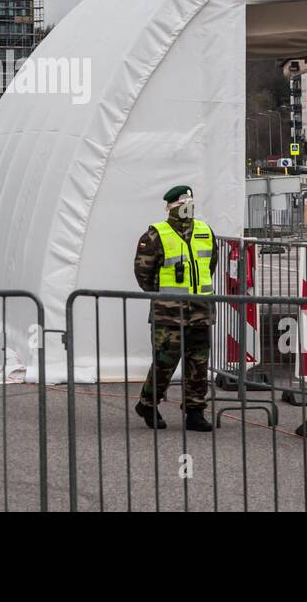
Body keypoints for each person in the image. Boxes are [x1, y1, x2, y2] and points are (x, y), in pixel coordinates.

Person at [132, 184, 215, 432]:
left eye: (189, 204)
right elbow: (143, 273)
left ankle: (195, 412)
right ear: (169, 207)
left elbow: (210, 265)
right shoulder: (155, 235)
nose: (186, 209)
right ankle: (147, 403)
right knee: (164, 362)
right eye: (181, 205)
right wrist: (164, 297)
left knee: (198, 364)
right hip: (169, 313)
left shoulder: (205, 231)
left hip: (200, 310)